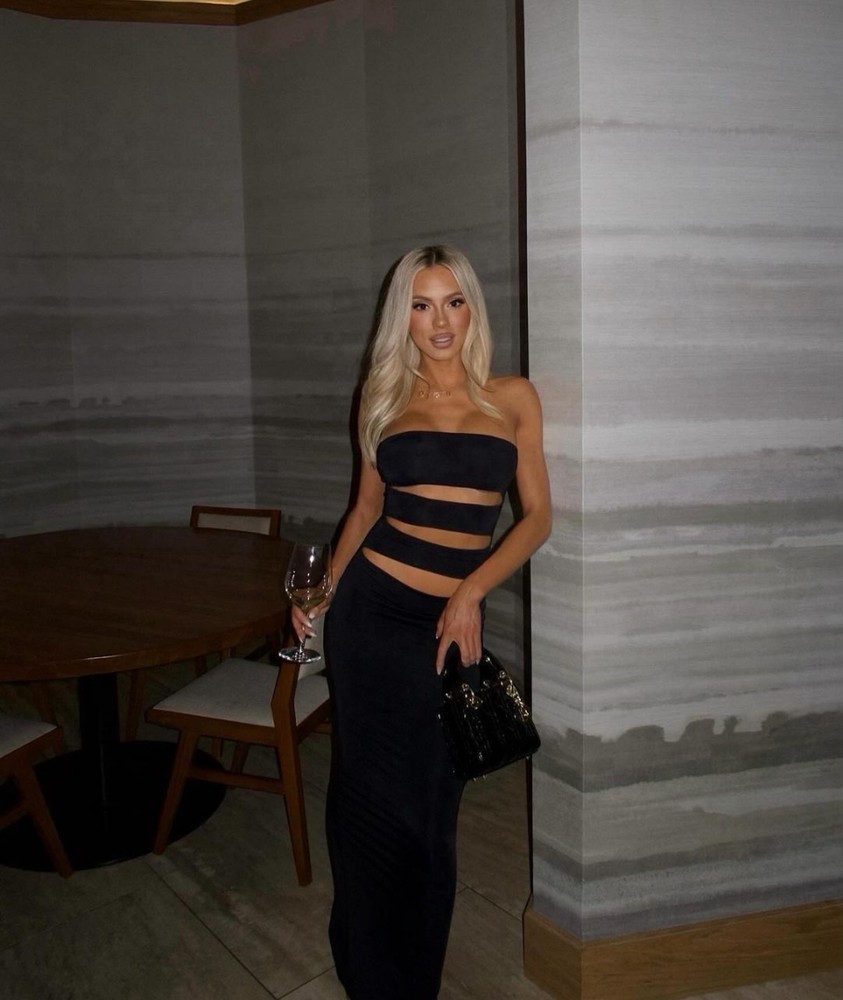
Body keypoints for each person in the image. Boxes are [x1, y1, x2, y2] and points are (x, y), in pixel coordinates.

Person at [291, 244, 551, 999]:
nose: (439, 321)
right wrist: (319, 597)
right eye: (421, 304)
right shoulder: (382, 400)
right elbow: (364, 511)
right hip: (370, 619)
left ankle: (413, 978)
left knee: (432, 810)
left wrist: (471, 591)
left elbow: (537, 518)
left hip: (447, 626)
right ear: (400, 317)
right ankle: (368, 966)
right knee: (365, 798)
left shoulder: (512, 399)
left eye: (453, 302)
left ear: (472, 310)